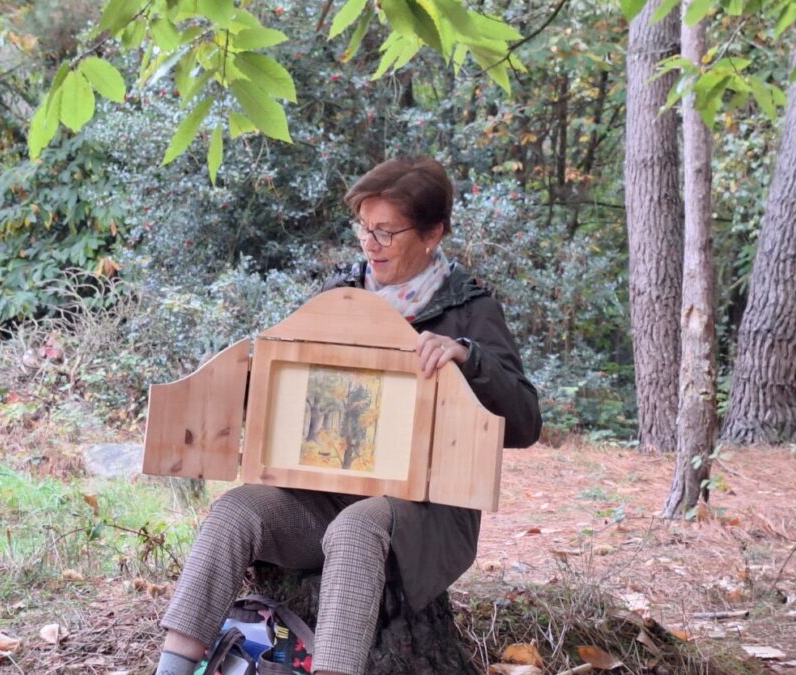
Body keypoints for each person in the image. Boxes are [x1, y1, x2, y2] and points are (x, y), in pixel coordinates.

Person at [155, 157, 542, 675]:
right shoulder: (338, 297)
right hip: (321, 496)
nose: (370, 243)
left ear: (432, 234)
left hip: (424, 513)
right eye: (364, 227)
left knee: (357, 528)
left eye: (386, 231)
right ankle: (172, 668)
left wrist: (468, 357)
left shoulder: (468, 308)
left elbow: (525, 425)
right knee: (235, 511)